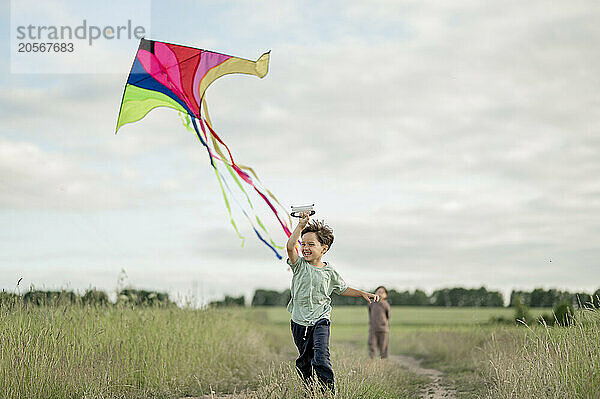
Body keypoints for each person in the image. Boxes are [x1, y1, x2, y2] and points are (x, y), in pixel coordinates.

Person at [286, 212, 379, 393]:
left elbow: (342, 288)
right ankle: (310, 391)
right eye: (303, 244)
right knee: (304, 362)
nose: (305, 248)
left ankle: (328, 393)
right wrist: (300, 226)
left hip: (321, 320)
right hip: (299, 321)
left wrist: (362, 294)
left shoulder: (330, 272)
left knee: (320, 358)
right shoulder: (299, 266)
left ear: (324, 248)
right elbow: (290, 248)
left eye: (311, 244)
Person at [368, 286, 391, 359]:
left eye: (382, 292)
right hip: (373, 329)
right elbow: (370, 312)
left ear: (386, 295)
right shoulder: (371, 303)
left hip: (383, 329)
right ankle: (372, 360)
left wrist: (384, 323)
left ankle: (383, 361)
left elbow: (388, 316)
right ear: (375, 293)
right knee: (372, 345)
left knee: (383, 346)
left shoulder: (385, 304)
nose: (380, 294)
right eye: (378, 292)